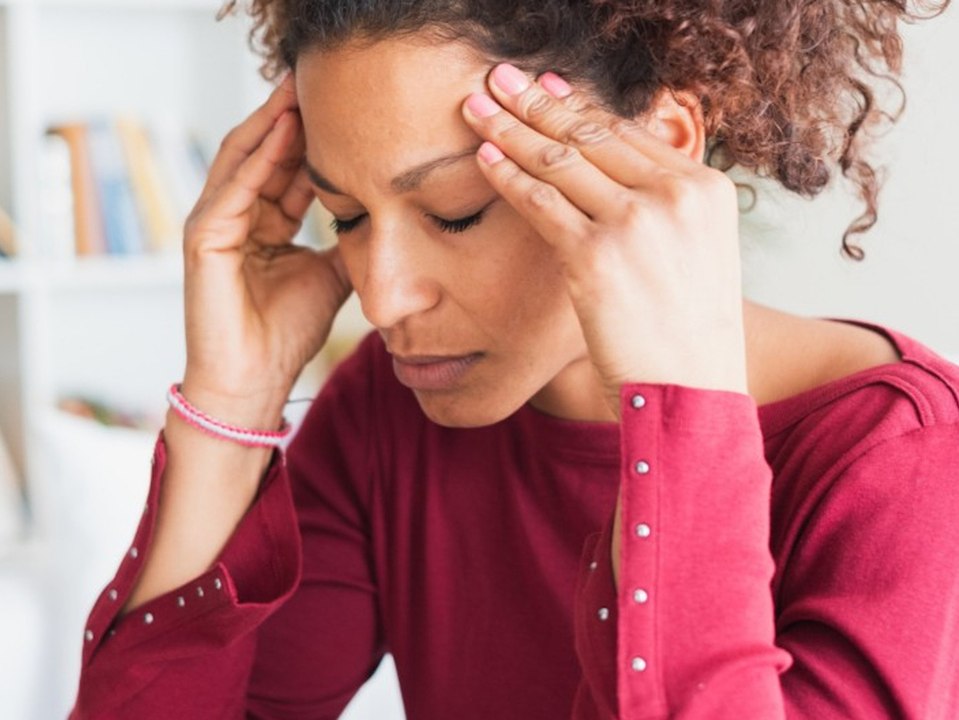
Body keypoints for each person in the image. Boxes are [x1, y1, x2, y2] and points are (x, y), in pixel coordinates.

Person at [71, 0, 959, 717]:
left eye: (455, 211)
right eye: (345, 217)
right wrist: (233, 405)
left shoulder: (899, 460)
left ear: (662, 147)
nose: (382, 300)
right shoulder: (389, 409)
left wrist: (676, 408)